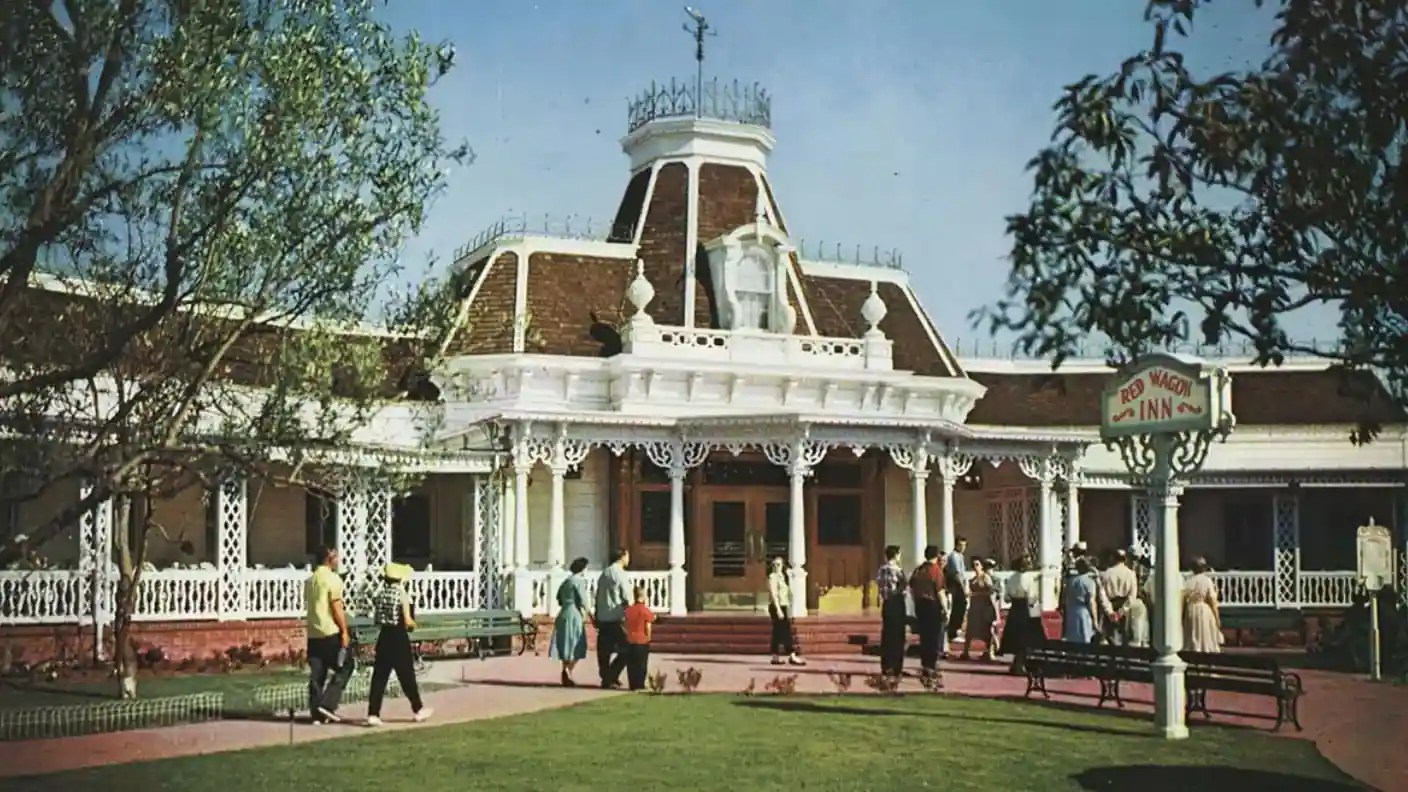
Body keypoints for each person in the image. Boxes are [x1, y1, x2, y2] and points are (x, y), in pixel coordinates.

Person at [365, 563, 432, 726]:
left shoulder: (380, 594)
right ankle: (418, 709)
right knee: (406, 675)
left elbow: (377, 619)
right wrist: (412, 625)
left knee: (379, 677)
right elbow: (408, 621)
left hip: (384, 636)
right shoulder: (402, 595)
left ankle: (373, 713)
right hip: (399, 637)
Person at [304, 545, 352, 723]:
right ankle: (328, 704)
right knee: (345, 666)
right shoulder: (332, 579)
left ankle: (316, 713)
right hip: (330, 630)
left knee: (317, 673)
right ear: (328, 558)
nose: (338, 559)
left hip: (313, 631)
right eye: (335, 556)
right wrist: (344, 631)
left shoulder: (310, 581)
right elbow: (336, 607)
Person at [550, 557, 591, 686]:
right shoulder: (579, 581)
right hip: (574, 614)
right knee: (577, 644)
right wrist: (591, 615)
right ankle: (568, 670)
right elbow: (584, 600)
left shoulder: (566, 581)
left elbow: (559, 598)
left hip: (564, 613)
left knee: (566, 644)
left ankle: (566, 672)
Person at [594, 548, 632, 688]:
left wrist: (597, 614)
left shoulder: (604, 573)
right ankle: (611, 675)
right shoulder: (620, 574)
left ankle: (607, 676)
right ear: (622, 557)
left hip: (603, 617)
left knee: (604, 652)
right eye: (627, 556)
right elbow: (627, 597)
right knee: (628, 649)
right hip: (616, 617)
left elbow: (597, 596)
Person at [999, 555, 1043, 673]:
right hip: (1025, 609)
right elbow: (1032, 598)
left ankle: (1018, 663)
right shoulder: (1028, 578)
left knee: (1016, 637)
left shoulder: (1011, 578)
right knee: (1026, 637)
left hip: (1015, 608)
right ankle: (1020, 664)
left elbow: (1007, 598)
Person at [909, 545, 947, 677]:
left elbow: (912, 587)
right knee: (934, 636)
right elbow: (940, 591)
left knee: (924, 636)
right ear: (936, 556)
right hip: (932, 604)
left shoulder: (919, 570)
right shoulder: (936, 571)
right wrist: (946, 608)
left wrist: (915, 602)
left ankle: (925, 664)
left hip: (920, 604)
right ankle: (931, 665)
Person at [875, 544, 908, 678]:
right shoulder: (897, 570)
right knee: (898, 636)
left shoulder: (881, 570)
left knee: (887, 635)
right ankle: (896, 667)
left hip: (887, 603)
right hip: (897, 603)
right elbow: (904, 586)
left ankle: (886, 666)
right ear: (895, 555)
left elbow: (880, 586)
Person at [767, 556, 805, 666]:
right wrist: (778, 609)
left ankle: (775, 657)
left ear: (782, 565)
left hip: (784, 605)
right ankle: (792, 655)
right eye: (774, 565)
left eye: (778, 564)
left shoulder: (783, 577)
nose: (776, 567)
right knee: (785, 631)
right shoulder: (772, 577)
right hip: (776, 607)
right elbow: (773, 594)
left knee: (778, 632)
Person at [1101, 549, 1142, 646]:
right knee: (1126, 638)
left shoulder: (1106, 574)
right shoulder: (1130, 574)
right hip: (1126, 608)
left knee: (1112, 639)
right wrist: (1121, 611)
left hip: (1111, 604)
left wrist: (1110, 612)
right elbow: (1132, 596)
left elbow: (1102, 595)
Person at [1183, 557, 1223, 653]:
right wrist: (1217, 618)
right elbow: (1212, 601)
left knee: (1193, 634)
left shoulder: (1189, 581)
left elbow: (1184, 597)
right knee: (1204, 634)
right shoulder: (1206, 581)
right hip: (1202, 610)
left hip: (1191, 609)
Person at [963, 557, 1000, 661]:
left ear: (981, 566)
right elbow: (967, 592)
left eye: (977, 564)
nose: (975, 567)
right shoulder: (972, 580)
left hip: (984, 607)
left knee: (987, 630)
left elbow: (991, 591)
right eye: (974, 565)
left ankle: (990, 652)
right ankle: (966, 652)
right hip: (975, 607)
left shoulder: (986, 578)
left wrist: (976, 594)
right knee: (970, 630)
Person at [623, 586, 656, 691]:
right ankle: (640, 684)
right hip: (642, 640)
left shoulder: (629, 610)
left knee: (631, 664)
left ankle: (632, 684)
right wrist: (649, 638)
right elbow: (648, 627)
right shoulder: (645, 611)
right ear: (643, 596)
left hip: (630, 640)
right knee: (641, 664)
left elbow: (625, 624)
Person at [1062, 556, 1099, 644]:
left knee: (1072, 639)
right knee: (1084, 639)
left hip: (1071, 611)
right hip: (1083, 612)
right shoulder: (1089, 582)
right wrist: (1095, 620)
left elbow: (1064, 597)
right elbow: (1091, 601)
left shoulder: (1070, 581)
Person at [943, 537, 970, 651]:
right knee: (957, 607)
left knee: (961, 607)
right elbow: (957, 574)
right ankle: (953, 631)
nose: (963, 548)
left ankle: (956, 629)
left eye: (964, 545)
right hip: (955, 585)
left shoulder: (961, 556)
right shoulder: (953, 556)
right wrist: (963, 588)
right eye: (961, 545)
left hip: (960, 583)